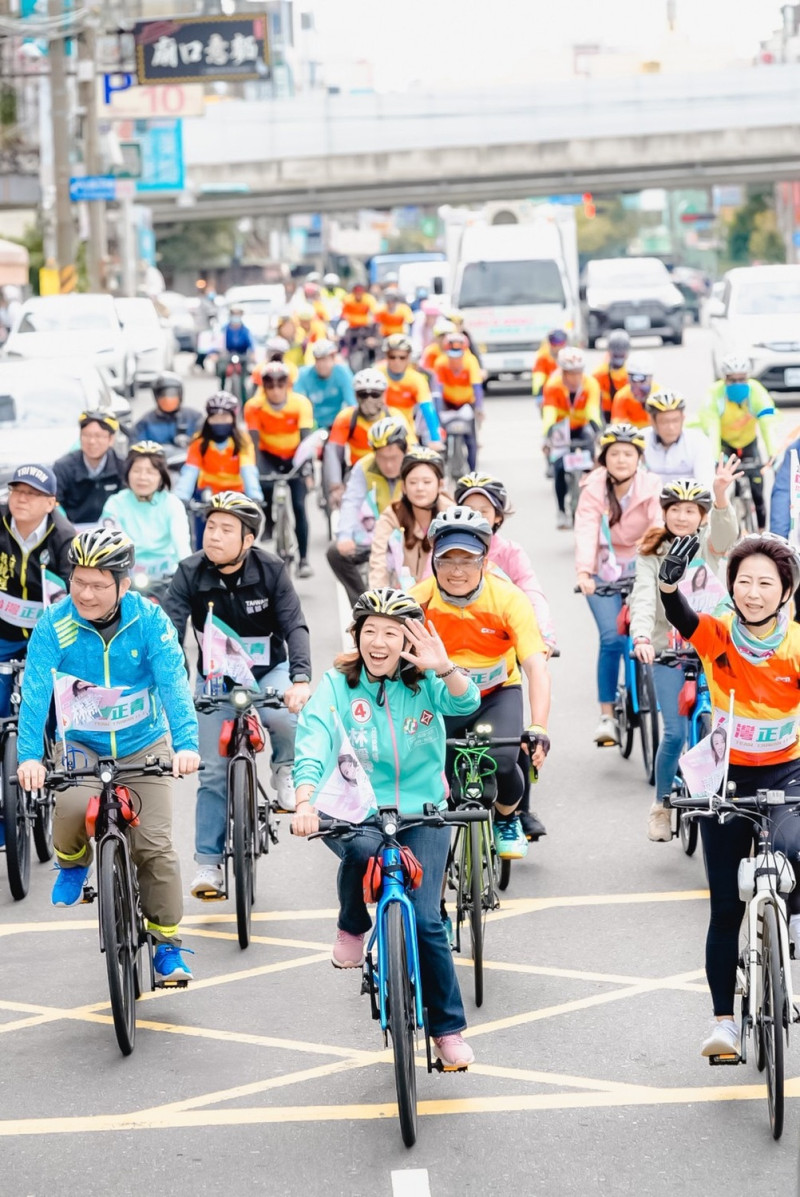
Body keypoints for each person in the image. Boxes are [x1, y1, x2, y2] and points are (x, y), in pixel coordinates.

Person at [291, 587, 482, 1070]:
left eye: (391, 634)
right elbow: (313, 737)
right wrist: (304, 800)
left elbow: (466, 705)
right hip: (356, 807)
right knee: (361, 850)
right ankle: (353, 924)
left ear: (406, 641)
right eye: (369, 632)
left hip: (423, 811)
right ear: (356, 636)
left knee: (425, 919)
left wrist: (445, 667)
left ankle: (447, 1031)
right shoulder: (337, 684)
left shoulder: (425, 680)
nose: (378, 642)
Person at [17, 527, 200, 984]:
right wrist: (30, 757)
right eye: (79, 581)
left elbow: (175, 683)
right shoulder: (54, 624)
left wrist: (186, 745)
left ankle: (166, 946)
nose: (86, 593)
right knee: (73, 807)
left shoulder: (150, 620)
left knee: (155, 849)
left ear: (124, 583)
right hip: (82, 743)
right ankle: (73, 861)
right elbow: (36, 692)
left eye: (99, 584)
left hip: (144, 743)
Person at [657, 531, 800, 1058]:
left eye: (767, 583)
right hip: (725, 779)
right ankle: (726, 1024)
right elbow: (684, 619)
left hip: (787, 775)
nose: (754, 593)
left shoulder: (796, 644)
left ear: (786, 591)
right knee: (724, 908)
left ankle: (789, 928)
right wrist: (668, 586)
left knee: (795, 857)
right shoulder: (719, 636)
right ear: (732, 588)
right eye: (745, 582)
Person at [163, 492, 311, 899]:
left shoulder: (271, 569)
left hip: (268, 672)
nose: (214, 535)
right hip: (215, 680)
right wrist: (171, 684)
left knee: (284, 717)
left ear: (248, 540)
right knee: (211, 772)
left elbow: (295, 626)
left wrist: (300, 678)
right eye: (211, 526)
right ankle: (208, 864)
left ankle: (284, 768)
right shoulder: (189, 572)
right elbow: (169, 633)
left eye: (226, 529)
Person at [411, 508, 551, 860]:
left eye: (468, 560)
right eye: (447, 560)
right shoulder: (418, 600)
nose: (457, 570)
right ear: (433, 562)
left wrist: (539, 727)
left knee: (503, 762)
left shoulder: (507, 599)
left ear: (485, 561)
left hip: (497, 694)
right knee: (434, 777)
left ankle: (507, 819)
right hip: (443, 698)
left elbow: (535, 665)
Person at [629, 468, 740, 841]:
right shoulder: (651, 553)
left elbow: (727, 538)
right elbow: (644, 595)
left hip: (711, 647)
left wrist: (721, 496)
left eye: (691, 510)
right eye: (675, 509)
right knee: (674, 734)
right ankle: (661, 805)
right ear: (664, 513)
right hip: (667, 652)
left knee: (723, 728)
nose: (681, 516)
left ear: (702, 516)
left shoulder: (709, 544)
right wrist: (642, 636)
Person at [454, 471, 555, 841]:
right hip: (453, 674)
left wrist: (543, 637)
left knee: (512, 743)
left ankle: (516, 813)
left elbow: (531, 592)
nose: (478, 515)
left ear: (498, 516)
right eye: (470, 508)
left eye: (485, 509)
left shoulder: (509, 554)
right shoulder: (447, 556)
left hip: (504, 650)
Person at [574, 424, 662, 746]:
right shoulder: (593, 487)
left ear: (639, 458)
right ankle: (607, 716)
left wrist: (659, 565)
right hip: (602, 568)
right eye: (615, 454)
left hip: (642, 563)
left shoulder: (652, 485)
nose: (622, 459)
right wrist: (584, 573)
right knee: (612, 638)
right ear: (604, 459)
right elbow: (585, 528)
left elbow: (658, 527)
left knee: (647, 633)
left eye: (629, 453)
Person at [0, 465, 74, 725]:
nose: (21, 498)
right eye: (17, 491)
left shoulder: (64, 537)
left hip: (46, 633)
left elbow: (74, 589)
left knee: (52, 702)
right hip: (4, 632)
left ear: (51, 503)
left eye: (32, 493)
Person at [327, 417, 408, 605]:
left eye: (394, 458)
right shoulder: (364, 467)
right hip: (378, 536)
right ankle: (363, 605)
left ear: (405, 451)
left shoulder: (417, 464)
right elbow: (350, 502)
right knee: (335, 553)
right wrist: (345, 536)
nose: (388, 465)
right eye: (382, 458)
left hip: (411, 538)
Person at [244, 361, 314, 578]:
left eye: (280, 384)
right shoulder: (254, 406)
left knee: (300, 507)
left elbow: (306, 441)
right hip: (268, 455)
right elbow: (253, 443)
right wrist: (252, 471)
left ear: (288, 384)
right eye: (270, 385)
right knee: (263, 488)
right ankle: (270, 523)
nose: (275, 390)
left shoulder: (300, 403)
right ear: (263, 386)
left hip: (295, 456)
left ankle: (303, 559)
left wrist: (308, 471)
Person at [697, 353, 780, 531]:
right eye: (731, 380)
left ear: (748, 378)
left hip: (749, 444)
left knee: (758, 490)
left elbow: (767, 423)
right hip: (725, 444)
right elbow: (712, 429)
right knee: (721, 486)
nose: (737, 384)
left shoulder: (756, 391)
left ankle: (761, 531)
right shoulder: (714, 394)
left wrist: (773, 452)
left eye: (742, 379)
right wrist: (714, 459)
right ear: (724, 380)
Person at [324, 370, 415, 507]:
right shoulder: (346, 418)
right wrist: (336, 486)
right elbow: (333, 452)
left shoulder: (395, 416)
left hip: (391, 471)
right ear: (356, 396)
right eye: (363, 395)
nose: (369, 400)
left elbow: (412, 448)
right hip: (358, 471)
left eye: (375, 394)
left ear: (383, 395)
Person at [101, 442, 191, 578]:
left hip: (166, 575)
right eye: (136, 470)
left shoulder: (173, 504)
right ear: (128, 473)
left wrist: (187, 575)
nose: (142, 477)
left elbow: (182, 546)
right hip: (127, 575)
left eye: (150, 472)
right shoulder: (115, 503)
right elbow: (108, 542)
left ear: (161, 476)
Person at [368, 446, 450, 589]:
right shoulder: (392, 514)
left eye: (427, 482)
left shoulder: (452, 515)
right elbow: (378, 560)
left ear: (440, 485)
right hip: (402, 599)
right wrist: (378, 598)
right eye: (412, 482)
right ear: (403, 487)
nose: (419, 488)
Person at [541, 347, 602, 529]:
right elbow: (549, 414)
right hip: (561, 427)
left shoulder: (591, 384)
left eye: (578, 373)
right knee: (559, 467)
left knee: (593, 464)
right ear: (563, 372)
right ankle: (561, 510)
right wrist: (547, 437)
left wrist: (598, 433)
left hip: (582, 426)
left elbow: (592, 410)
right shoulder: (552, 386)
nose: (575, 378)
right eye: (570, 373)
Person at [174, 392, 263, 503]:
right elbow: (190, 471)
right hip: (207, 493)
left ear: (233, 419)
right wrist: (181, 497)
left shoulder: (242, 440)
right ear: (208, 419)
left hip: (236, 493)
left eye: (225, 417)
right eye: (215, 417)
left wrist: (255, 496)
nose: (220, 421)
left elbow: (248, 470)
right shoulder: (199, 441)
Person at [53, 411, 125, 527]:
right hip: (73, 529)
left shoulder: (123, 466)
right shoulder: (63, 467)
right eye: (86, 435)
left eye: (98, 436)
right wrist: (66, 526)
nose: (92, 441)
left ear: (111, 439)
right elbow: (53, 502)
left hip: (114, 529)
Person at [430, 332, 484, 472]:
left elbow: (477, 386)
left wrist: (479, 408)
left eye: (459, 355)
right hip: (447, 403)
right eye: (452, 355)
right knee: (442, 439)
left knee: (471, 440)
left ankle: (473, 471)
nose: (455, 360)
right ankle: (442, 470)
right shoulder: (440, 363)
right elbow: (438, 390)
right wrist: (437, 410)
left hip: (466, 403)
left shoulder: (471, 361)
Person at [376, 334, 442, 445]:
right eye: (392, 357)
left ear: (409, 358)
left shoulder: (417, 379)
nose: (397, 361)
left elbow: (428, 409)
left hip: (406, 432)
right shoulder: (377, 374)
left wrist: (435, 439)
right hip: (379, 431)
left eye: (402, 357)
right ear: (386, 357)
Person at [642, 391, 716, 487]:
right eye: (664, 422)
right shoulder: (641, 440)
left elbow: (706, 484)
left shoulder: (699, 442)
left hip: (688, 499)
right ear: (652, 421)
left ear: (683, 418)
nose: (671, 427)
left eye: (675, 420)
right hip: (650, 499)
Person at [131, 372, 203, 449]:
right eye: (163, 394)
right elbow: (136, 448)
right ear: (156, 396)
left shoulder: (194, 417)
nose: (168, 398)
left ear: (180, 395)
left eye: (172, 394)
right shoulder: (145, 423)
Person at [293, 339, 354, 430]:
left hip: (337, 424)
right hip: (311, 424)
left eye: (325, 360)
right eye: (318, 360)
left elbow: (352, 404)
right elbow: (297, 402)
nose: (321, 365)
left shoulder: (343, 373)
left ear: (333, 359)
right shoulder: (304, 374)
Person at [592, 329, 630, 424]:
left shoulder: (630, 373)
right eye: (616, 354)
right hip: (605, 415)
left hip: (624, 415)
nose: (619, 357)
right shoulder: (599, 374)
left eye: (621, 354)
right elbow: (594, 402)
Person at [609, 354, 658, 428]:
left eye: (642, 380)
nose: (637, 385)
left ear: (651, 378)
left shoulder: (658, 395)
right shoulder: (622, 397)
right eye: (633, 380)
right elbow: (617, 427)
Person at [339, 282, 378, 361]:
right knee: (343, 338)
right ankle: (344, 355)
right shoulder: (348, 299)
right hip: (352, 328)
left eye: (360, 292)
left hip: (366, 328)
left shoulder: (369, 299)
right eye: (356, 292)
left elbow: (374, 313)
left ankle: (373, 359)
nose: (358, 294)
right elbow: (343, 314)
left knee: (373, 342)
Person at [532, 328, 568, 398]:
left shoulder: (570, 356)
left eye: (561, 343)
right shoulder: (544, 358)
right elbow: (538, 377)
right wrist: (539, 391)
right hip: (548, 392)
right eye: (553, 343)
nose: (557, 346)